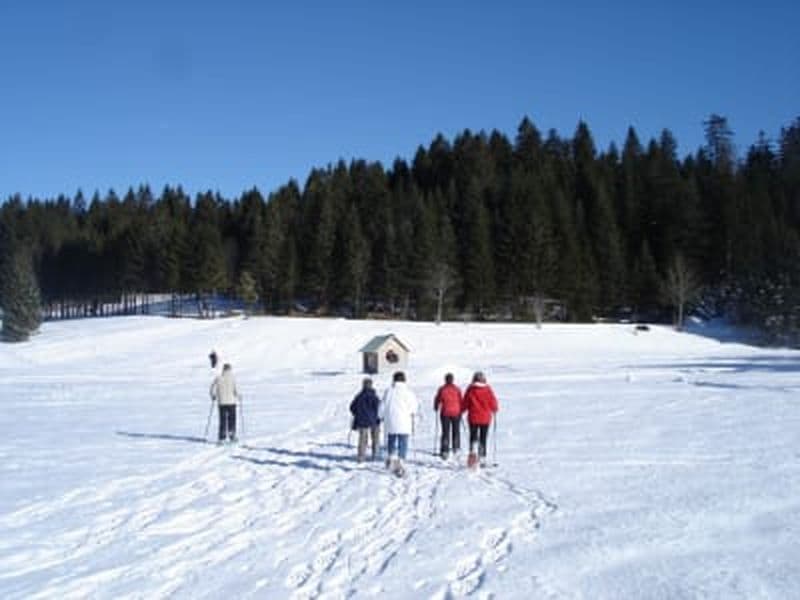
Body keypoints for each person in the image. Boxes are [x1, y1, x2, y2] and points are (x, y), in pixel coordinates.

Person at [379, 371, 419, 476]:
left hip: (391, 420)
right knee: (403, 440)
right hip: (404, 421)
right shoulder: (408, 392)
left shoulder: (389, 391)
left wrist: (380, 416)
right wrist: (412, 413)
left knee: (391, 439)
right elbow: (414, 407)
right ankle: (401, 459)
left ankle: (391, 457)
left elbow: (382, 406)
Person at [462, 371, 498, 467]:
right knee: (483, 438)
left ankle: (472, 455)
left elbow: (465, 402)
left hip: (473, 417)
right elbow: (493, 402)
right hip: (485, 418)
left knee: (473, 437)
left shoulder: (470, 389)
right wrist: (495, 409)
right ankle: (482, 458)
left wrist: (461, 410)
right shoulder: (488, 389)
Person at [350, 378, 381, 462]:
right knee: (375, 438)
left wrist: (357, 413)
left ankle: (361, 456)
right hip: (374, 420)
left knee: (362, 439)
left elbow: (352, 407)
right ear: (371, 385)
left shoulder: (359, 396)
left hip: (361, 420)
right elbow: (379, 407)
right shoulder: (374, 396)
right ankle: (375, 455)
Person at [433, 373, 463, 460]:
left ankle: (445, 451)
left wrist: (436, 407)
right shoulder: (457, 389)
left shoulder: (442, 389)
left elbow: (437, 399)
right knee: (456, 431)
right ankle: (456, 448)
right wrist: (461, 409)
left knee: (445, 432)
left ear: (445, 380)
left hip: (445, 412)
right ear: (452, 380)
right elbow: (460, 400)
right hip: (456, 412)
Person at [210, 363, 239, 443]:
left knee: (222, 420)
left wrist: (213, 396)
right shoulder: (232, 378)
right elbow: (236, 390)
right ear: (230, 369)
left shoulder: (218, 378)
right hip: (231, 402)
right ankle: (232, 435)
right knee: (232, 419)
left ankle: (222, 437)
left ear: (223, 369)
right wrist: (239, 396)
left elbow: (212, 388)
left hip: (221, 402)